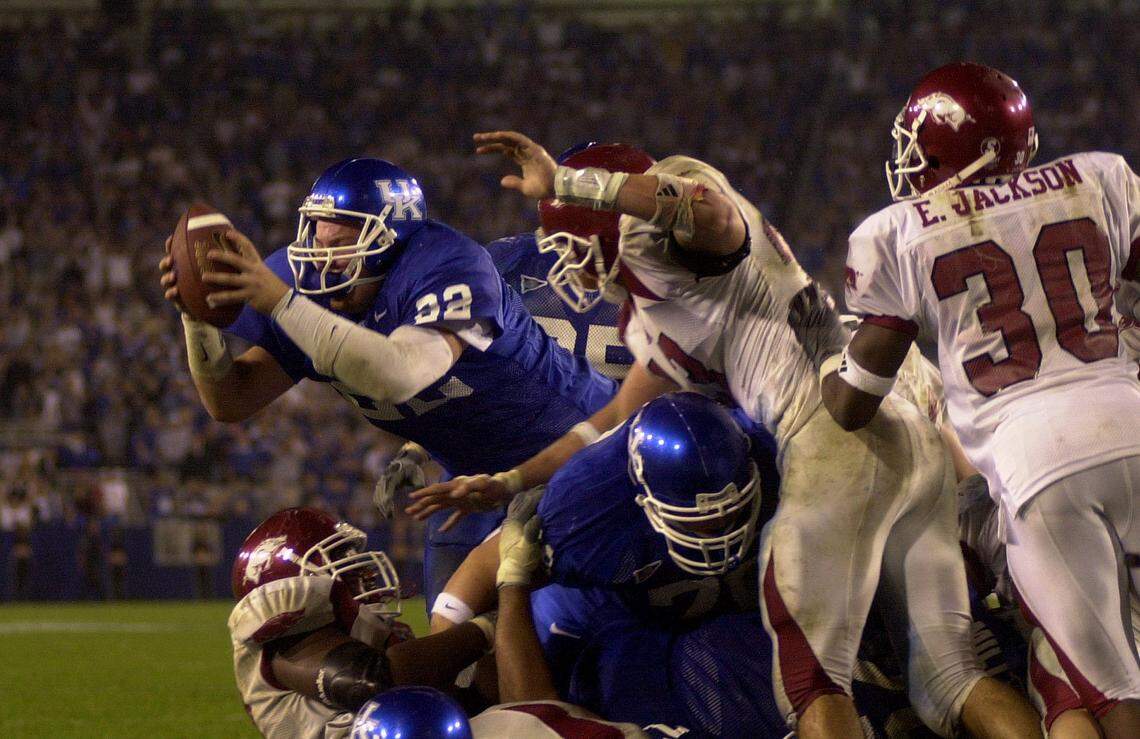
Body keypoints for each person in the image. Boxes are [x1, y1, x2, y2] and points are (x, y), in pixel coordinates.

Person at [409, 134, 1036, 738]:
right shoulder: (652, 322)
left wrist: (571, 184)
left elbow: (708, 210)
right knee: (950, 678)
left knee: (814, 684)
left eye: (570, 236)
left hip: (829, 436)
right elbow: (603, 425)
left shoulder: (675, 244)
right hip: (895, 431)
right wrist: (509, 481)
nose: (564, 256)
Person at [822, 61, 1140, 738]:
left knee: (1108, 695)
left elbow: (851, 404)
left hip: (1040, 468)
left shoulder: (899, 232)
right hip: (1131, 419)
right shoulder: (1102, 175)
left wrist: (820, 364)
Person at [158, 157, 618, 611]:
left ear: (390, 239)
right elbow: (231, 400)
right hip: (470, 486)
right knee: (455, 636)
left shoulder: (450, 264)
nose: (321, 258)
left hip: (585, 455)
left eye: (340, 241)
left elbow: (400, 374)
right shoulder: (303, 282)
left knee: (568, 638)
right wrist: (198, 321)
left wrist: (282, 305)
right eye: (316, 236)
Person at [227, 506, 496, 739]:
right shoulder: (287, 646)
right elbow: (373, 679)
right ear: (291, 580)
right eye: (340, 559)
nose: (364, 572)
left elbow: (460, 705)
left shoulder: (373, 637)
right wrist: (486, 628)